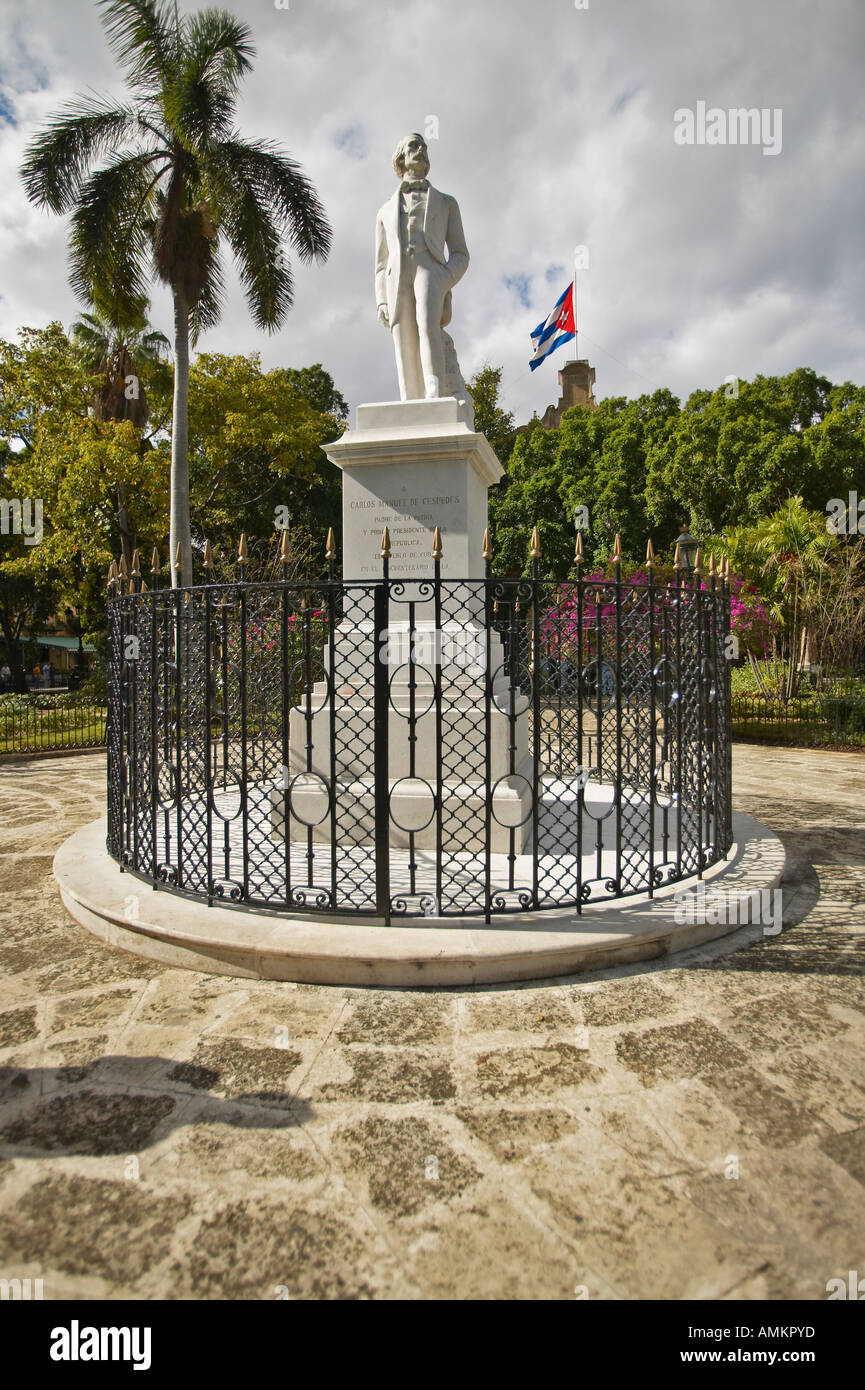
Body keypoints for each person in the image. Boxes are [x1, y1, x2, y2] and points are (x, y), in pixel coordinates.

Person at [375, 132, 470, 405]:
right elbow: (380, 264)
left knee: (428, 326)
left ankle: (434, 393)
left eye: (424, 146)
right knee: (403, 336)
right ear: (401, 158)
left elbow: (461, 253)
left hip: (430, 270)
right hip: (396, 276)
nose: (421, 150)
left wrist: (445, 277)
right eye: (413, 146)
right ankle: (410, 401)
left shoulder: (446, 203)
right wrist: (381, 300)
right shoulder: (384, 210)